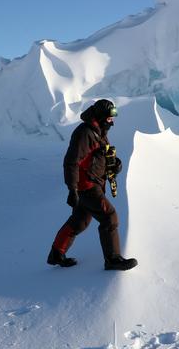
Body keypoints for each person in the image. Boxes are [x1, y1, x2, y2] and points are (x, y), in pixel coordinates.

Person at [47, 99, 138, 271]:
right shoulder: (85, 133)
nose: (112, 121)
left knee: (80, 221)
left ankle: (56, 254)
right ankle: (113, 259)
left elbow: (97, 156)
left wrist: (114, 165)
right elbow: (71, 162)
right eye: (110, 118)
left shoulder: (99, 131)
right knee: (109, 217)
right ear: (102, 117)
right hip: (86, 186)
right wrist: (72, 189)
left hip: (93, 182)